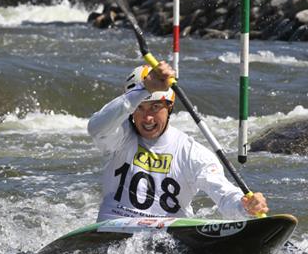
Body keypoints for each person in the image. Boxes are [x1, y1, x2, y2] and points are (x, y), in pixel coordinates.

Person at [87, 62, 268, 222]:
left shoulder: (192, 153)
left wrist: (246, 207)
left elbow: (223, 194)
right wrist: (144, 89)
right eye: (139, 108)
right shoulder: (118, 135)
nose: (147, 118)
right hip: (115, 224)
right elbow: (95, 127)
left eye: (155, 107)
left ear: (170, 107)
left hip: (169, 234)